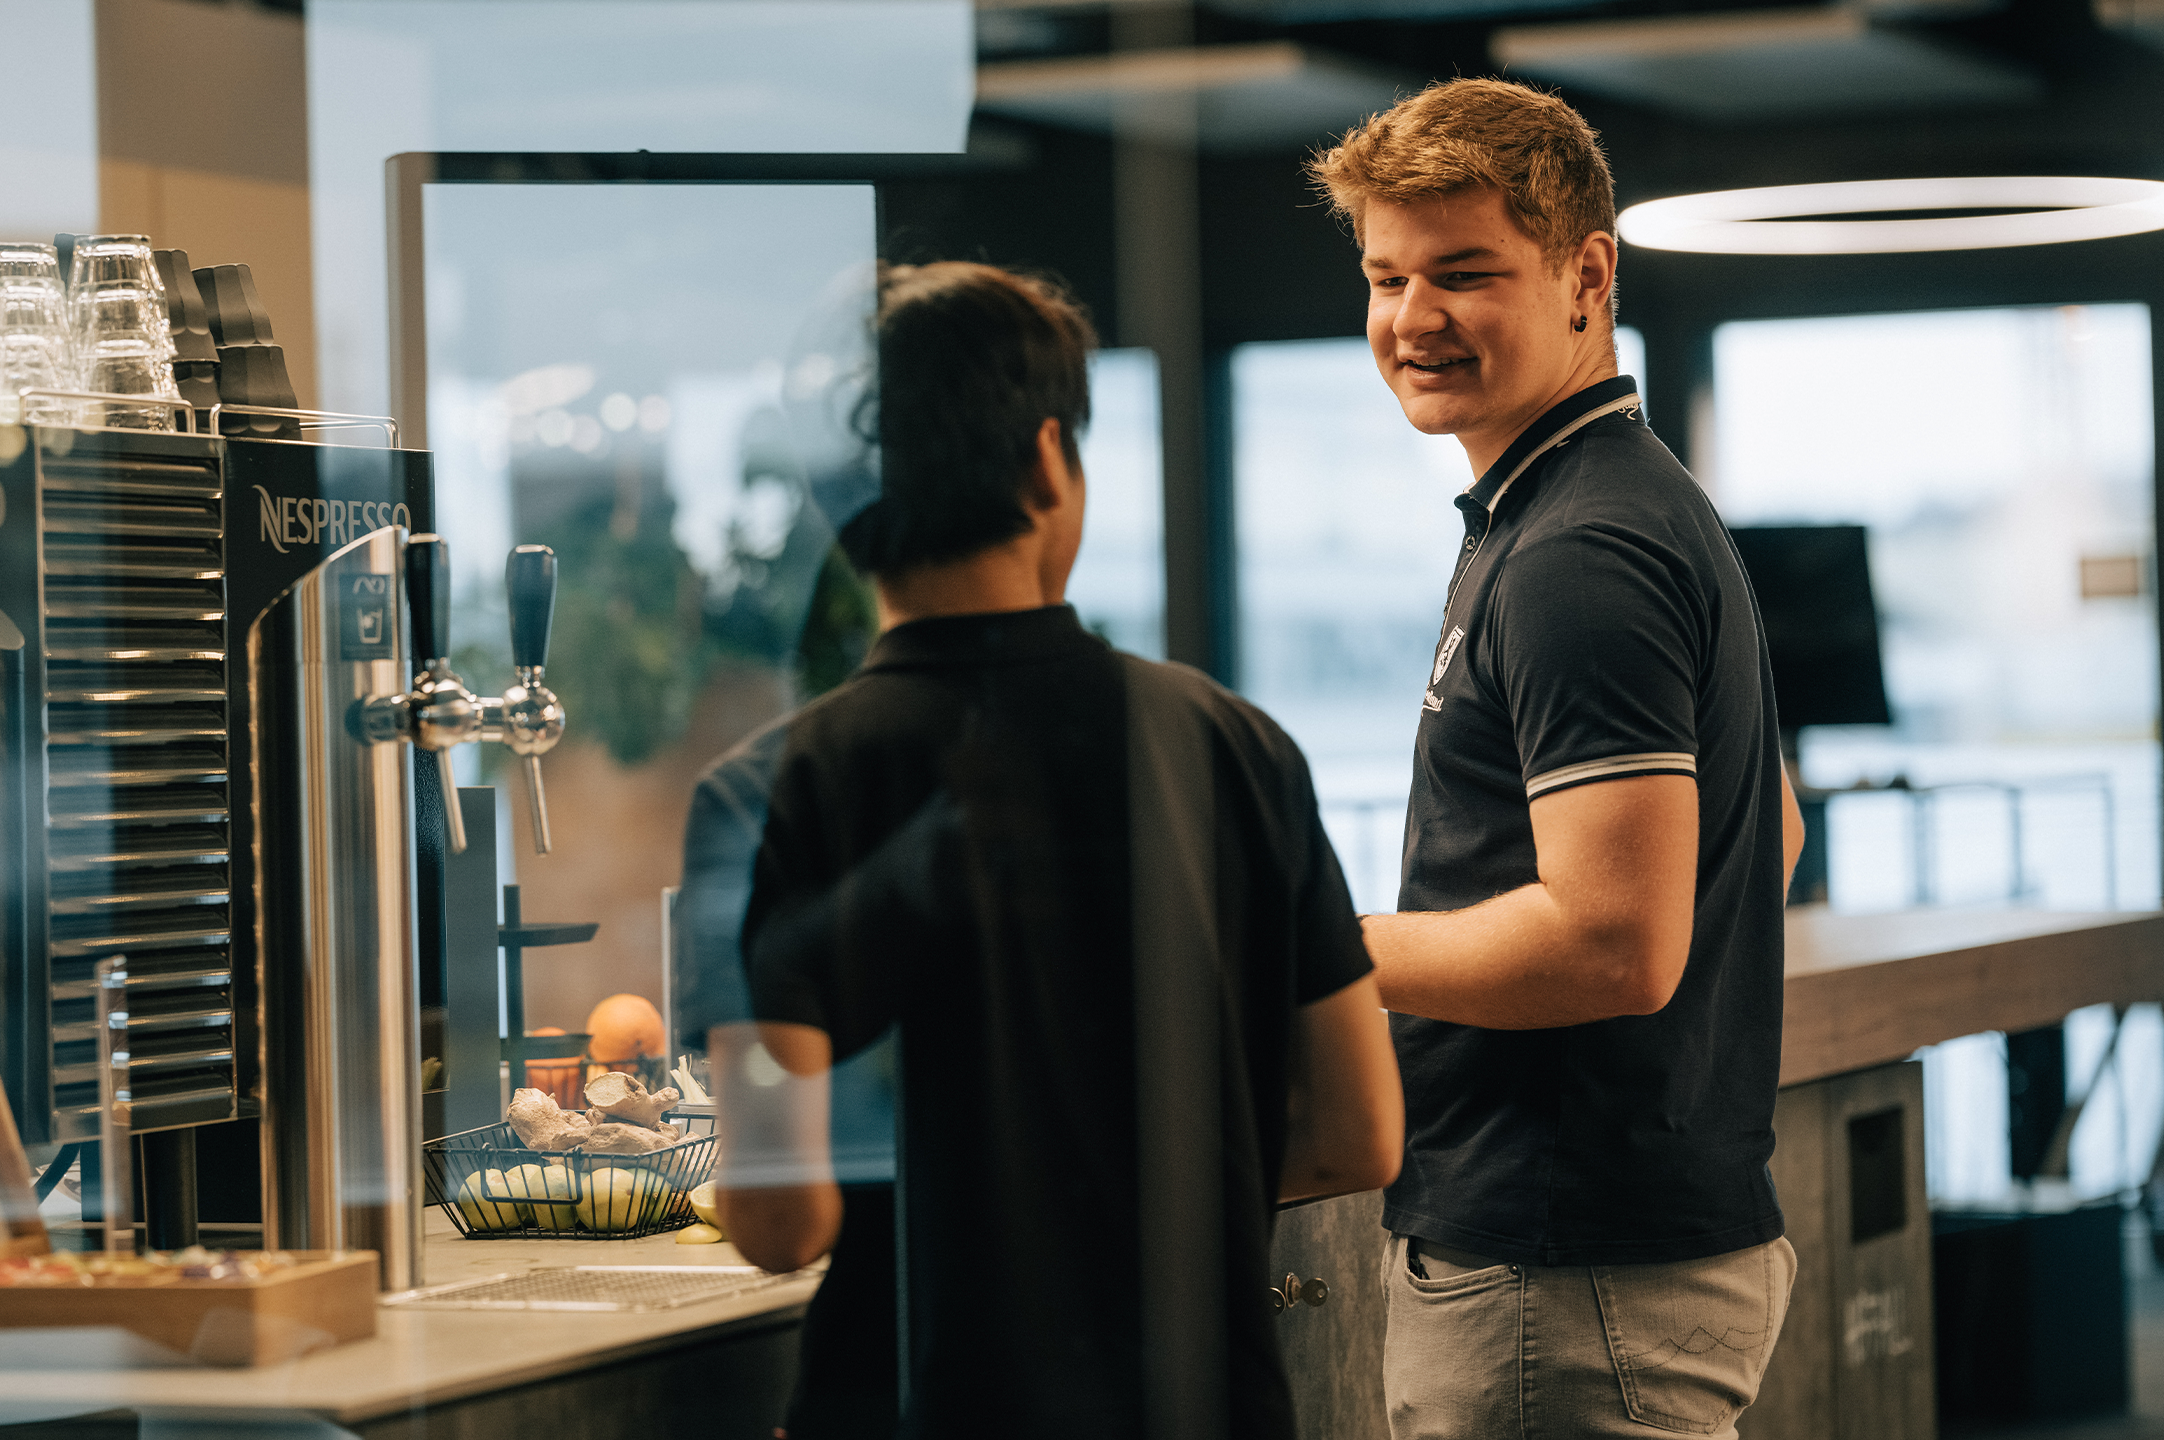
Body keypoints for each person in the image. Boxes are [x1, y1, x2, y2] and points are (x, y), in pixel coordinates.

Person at [695, 260, 1402, 1440]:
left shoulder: (767, 792)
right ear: (1043, 463)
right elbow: (1357, 1129)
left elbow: (782, 1223)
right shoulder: (1231, 748)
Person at [1304, 78, 1807, 1439]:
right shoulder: (1602, 502)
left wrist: (1306, 942)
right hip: (1604, 1254)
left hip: (1563, 1281)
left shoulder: (1580, 550)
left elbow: (1611, 947)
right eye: (1386, 276)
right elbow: (1775, 836)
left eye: (1464, 274)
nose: (1412, 321)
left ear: (1587, 276)